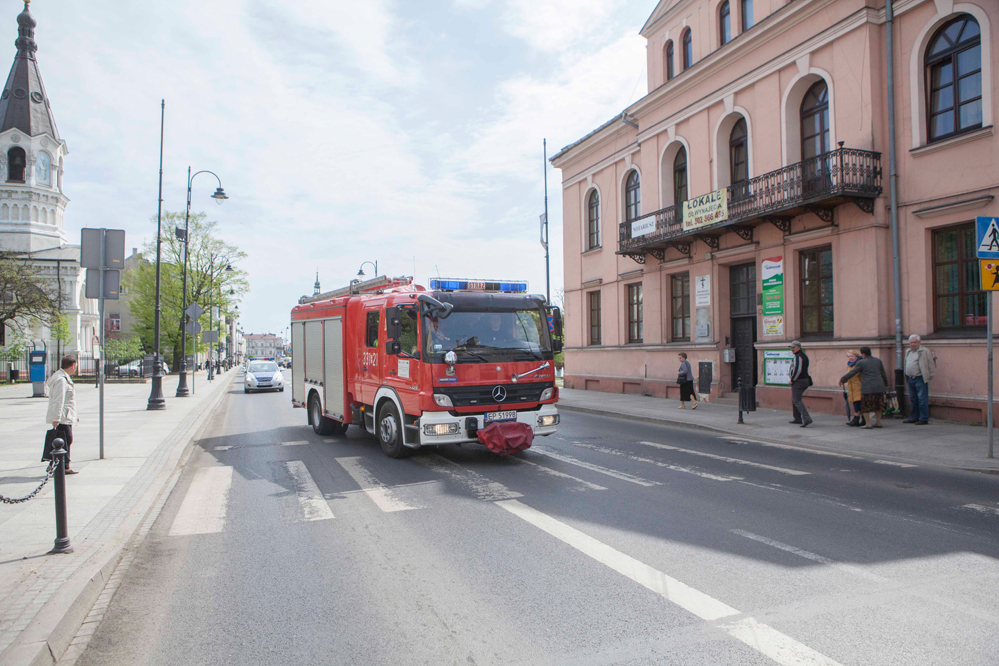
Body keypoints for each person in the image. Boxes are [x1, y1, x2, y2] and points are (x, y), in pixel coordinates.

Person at [840, 346, 889, 430]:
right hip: (879, 386)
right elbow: (883, 374)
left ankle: (868, 424)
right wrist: (886, 384)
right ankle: (878, 422)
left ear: (863, 354)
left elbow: (853, 372)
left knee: (866, 406)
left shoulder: (861, 362)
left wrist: (843, 379)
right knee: (879, 405)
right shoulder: (878, 361)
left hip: (867, 387)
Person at [45, 355, 79, 474]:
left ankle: (56, 464)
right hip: (63, 416)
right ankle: (63, 466)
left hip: (65, 415)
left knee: (64, 440)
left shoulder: (62, 378)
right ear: (72, 365)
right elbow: (59, 400)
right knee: (66, 439)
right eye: (76, 365)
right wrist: (56, 418)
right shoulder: (61, 380)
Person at [904, 334, 935, 425]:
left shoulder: (924, 351)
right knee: (913, 399)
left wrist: (930, 376)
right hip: (910, 378)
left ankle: (923, 418)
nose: (912, 344)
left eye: (914, 342)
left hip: (920, 378)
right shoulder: (908, 351)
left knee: (922, 399)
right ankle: (914, 417)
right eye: (911, 343)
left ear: (919, 342)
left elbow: (931, 364)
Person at [789, 340, 812, 427]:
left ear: (799, 347)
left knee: (796, 400)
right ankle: (797, 418)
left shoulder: (798, 357)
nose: (792, 349)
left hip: (799, 381)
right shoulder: (802, 356)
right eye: (791, 347)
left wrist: (792, 380)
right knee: (795, 398)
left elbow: (798, 369)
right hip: (803, 380)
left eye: (793, 347)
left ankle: (806, 418)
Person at [840, 350, 865, 427]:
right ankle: (861, 419)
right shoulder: (849, 364)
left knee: (858, 402)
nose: (850, 358)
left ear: (856, 356)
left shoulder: (858, 364)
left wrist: (843, 379)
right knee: (855, 402)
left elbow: (854, 374)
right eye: (849, 356)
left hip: (858, 386)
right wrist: (845, 380)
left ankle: (857, 419)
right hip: (852, 386)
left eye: (852, 356)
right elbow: (849, 375)